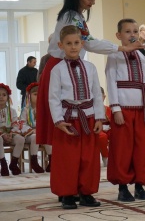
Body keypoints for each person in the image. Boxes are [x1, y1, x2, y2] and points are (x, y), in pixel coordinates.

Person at [36, 0, 142, 147]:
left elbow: (88, 41)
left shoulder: (75, 16)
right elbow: (89, 42)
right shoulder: (72, 16)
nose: (92, 2)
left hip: (69, 67)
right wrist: (121, 48)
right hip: (61, 67)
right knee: (64, 120)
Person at [49, 25, 104, 209]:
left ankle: (86, 193)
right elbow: (54, 97)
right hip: (67, 120)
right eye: (69, 43)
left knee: (89, 158)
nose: (73, 47)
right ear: (61, 45)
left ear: (82, 44)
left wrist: (99, 118)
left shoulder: (90, 67)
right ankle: (67, 194)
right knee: (68, 159)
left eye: (76, 43)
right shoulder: (57, 69)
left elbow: (97, 93)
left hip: (88, 118)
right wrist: (58, 121)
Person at [106, 19, 145, 202]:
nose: (132, 35)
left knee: (142, 148)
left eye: (135, 31)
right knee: (122, 149)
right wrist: (115, 108)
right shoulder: (114, 56)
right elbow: (111, 82)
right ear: (119, 36)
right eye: (127, 32)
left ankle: (139, 185)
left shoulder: (144, 57)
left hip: (142, 109)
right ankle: (122, 187)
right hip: (124, 109)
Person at [19, 82, 52, 173]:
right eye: (35, 94)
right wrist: (32, 130)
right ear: (29, 95)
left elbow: (48, 123)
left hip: (41, 133)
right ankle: (34, 161)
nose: (38, 96)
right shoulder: (26, 109)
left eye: (40, 94)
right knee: (35, 137)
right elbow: (22, 124)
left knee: (47, 137)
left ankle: (52, 161)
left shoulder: (45, 109)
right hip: (29, 135)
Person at [0, 83, 24, 176]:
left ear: (8, 97)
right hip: (0, 136)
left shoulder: (12, 111)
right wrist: (2, 134)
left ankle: (13, 164)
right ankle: (3, 164)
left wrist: (11, 133)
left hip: (10, 135)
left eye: (4, 95)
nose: (1, 97)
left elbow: (15, 124)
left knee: (21, 139)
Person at [98, 87, 111, 167]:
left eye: (100, 96)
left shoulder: (108, 109)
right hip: (98, 130)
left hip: (109, 130)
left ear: (104, 97)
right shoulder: (91, 110)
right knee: (102, 137)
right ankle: (105, 157)